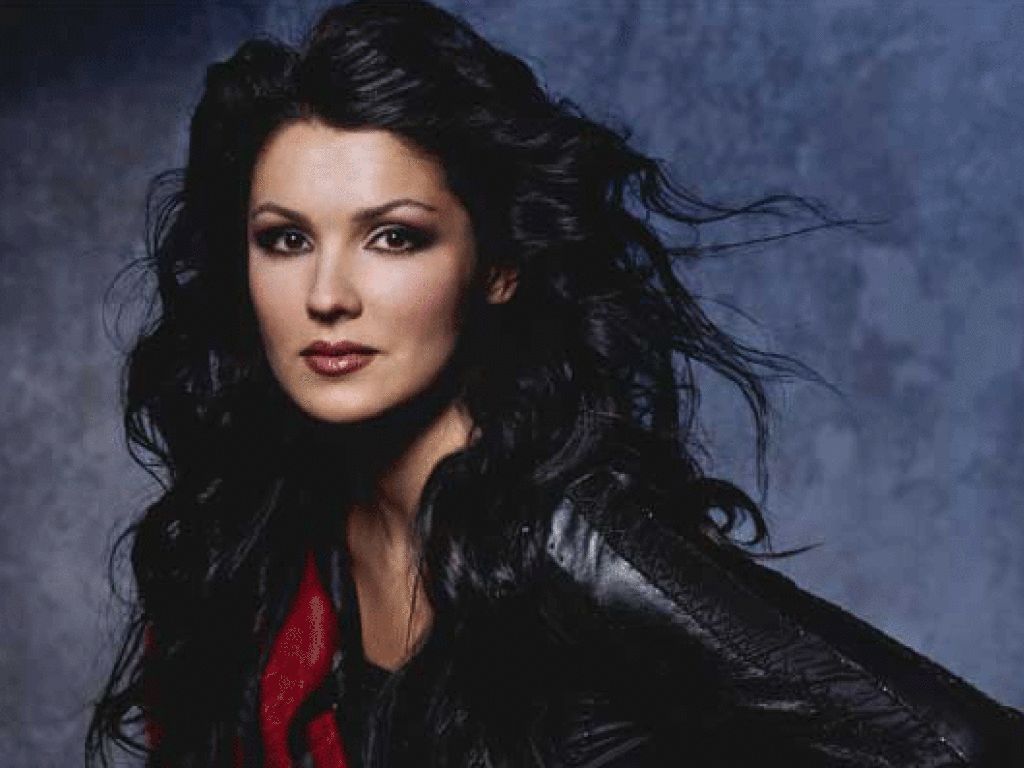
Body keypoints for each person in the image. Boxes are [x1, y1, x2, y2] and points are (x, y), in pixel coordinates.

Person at [87, 1, 1024, 766]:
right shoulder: (264, 541)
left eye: (394, 237)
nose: (327, 295)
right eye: (286, 239)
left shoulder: (583, 553)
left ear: (497, 267)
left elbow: (969, 746)